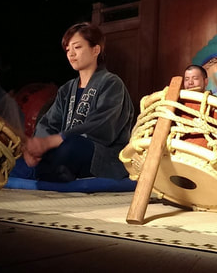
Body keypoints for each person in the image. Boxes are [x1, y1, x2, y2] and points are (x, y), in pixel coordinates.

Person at [9, 22, 135, 182]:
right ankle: (55, 171)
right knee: (16, 164)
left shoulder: (112, 83)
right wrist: (39, 146)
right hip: (63, 148)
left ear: (95, 50)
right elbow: (48, 124)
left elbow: (103, 126)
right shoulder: (67, 89)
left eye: (77, 47)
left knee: (73, 147)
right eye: (68, 49)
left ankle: (53, 171)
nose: (71, 54)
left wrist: (58, 139)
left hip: (99, 153)